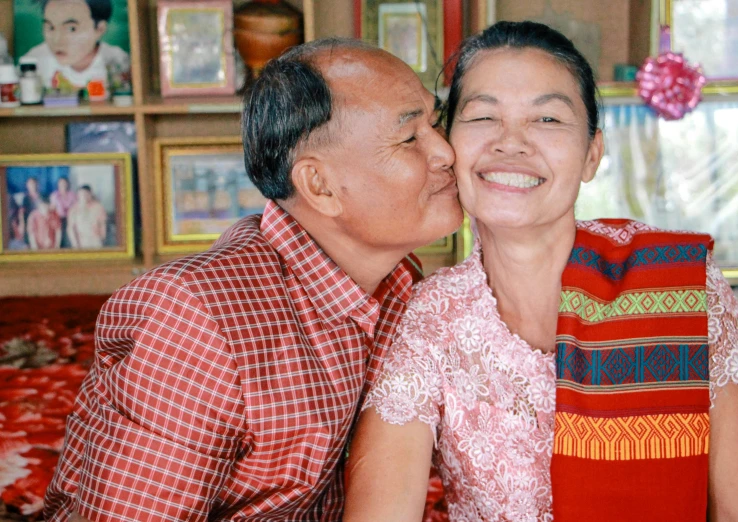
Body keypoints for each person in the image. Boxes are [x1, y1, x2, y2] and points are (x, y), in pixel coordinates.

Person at [344, 21, 738, 522]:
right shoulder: (430, 319)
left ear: (592, 153)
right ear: (447, 147)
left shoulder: (683, 288)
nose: (512, 143)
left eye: (548, 120)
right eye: (484, 115)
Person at [43, 37, 462, 521]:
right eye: (410, 138)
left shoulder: (400, 279)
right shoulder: (194, 319)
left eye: (435, 123)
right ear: (319, 186)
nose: (445, 152)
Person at [20, 0, 130, 90]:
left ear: (100, 29)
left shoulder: (118, 61)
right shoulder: (34, 60)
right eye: (50, 27)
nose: (57, 40)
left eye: (71, 29)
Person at [66, 185, 107, 249]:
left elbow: (102, 224)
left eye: (86, 194)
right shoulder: (73, 209)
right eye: (81, 194)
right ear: (78, 195)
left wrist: (102, 238)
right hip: (81, 241)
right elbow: (70, 228)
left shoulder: (98, 207)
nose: (83, 196)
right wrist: (75, 243)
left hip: (95, 240)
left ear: (90, 194)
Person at [50, 177, 77, 247]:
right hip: (58, 218)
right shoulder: (54, 195)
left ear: (68, 184)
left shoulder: (72, 195)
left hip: (70, 218)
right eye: (61, 183)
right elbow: (52, 208)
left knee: (69, 236)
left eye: (65, 183)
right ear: (58, 185)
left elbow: (75, 207)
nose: (63, 185)